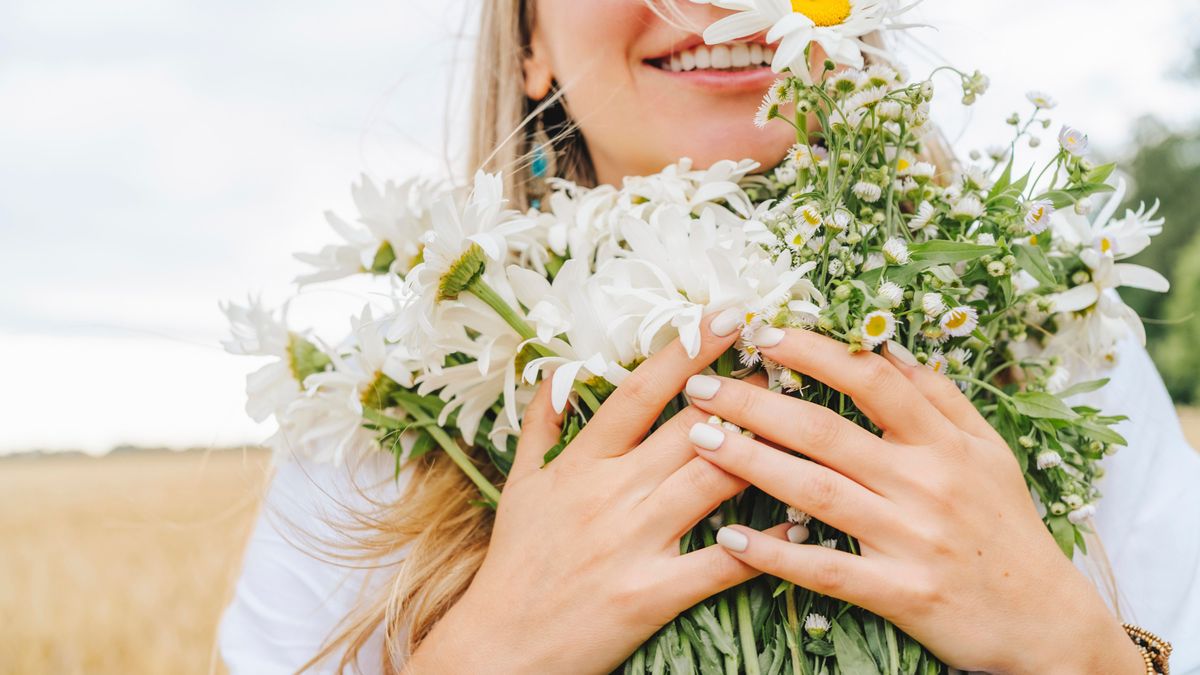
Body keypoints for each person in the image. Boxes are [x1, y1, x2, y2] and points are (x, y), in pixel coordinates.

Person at [219, 1, 1200, 672]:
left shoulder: (1066, 353)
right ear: (531, 45)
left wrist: (1078, 649)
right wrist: (484, 651)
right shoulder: (381, 412)